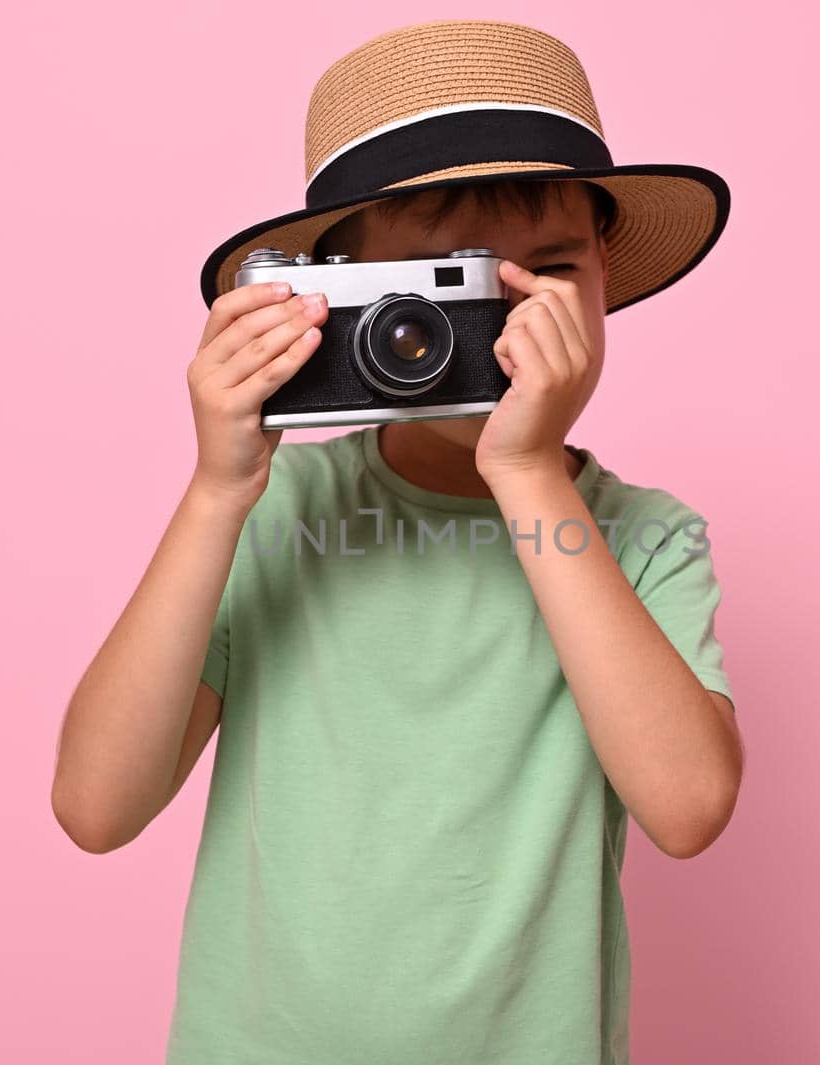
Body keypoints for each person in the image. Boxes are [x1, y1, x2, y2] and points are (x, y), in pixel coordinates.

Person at [52, 19, 744, 1065]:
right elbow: (98, 807)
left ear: (605, 275)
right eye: (436, 287)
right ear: (340, 299)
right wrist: (214, 492)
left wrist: (524, 471)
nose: (500, 327)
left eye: (543, 273)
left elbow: (689, 808)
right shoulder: (277, 511)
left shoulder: (642, 540)